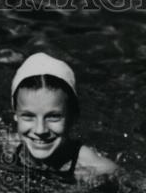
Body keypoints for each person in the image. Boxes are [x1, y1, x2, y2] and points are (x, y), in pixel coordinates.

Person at [7, 53, 117, 183]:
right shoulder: (8, 146)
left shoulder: (98, 170)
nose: (40, 130)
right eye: (28, 116)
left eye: (53, 117)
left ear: (73, 116)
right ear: (15, 115)